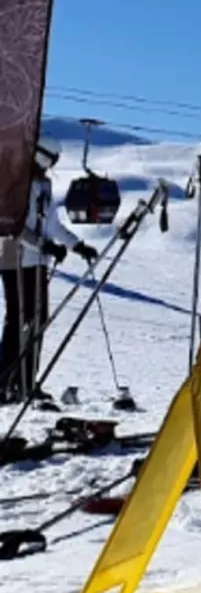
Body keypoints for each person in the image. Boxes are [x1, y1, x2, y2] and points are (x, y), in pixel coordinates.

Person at [0, 136, 88, 403]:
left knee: (38, 319)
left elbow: (52, 225)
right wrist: (43, 246)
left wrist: (76, 245)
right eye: (48, 160)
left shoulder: (44, 185)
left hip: (37, 262)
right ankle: (6, 379)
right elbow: (14, 225)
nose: (49, 166)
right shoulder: (17, 183)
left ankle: (27, 381)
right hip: (15, 259)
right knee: (18, 319)